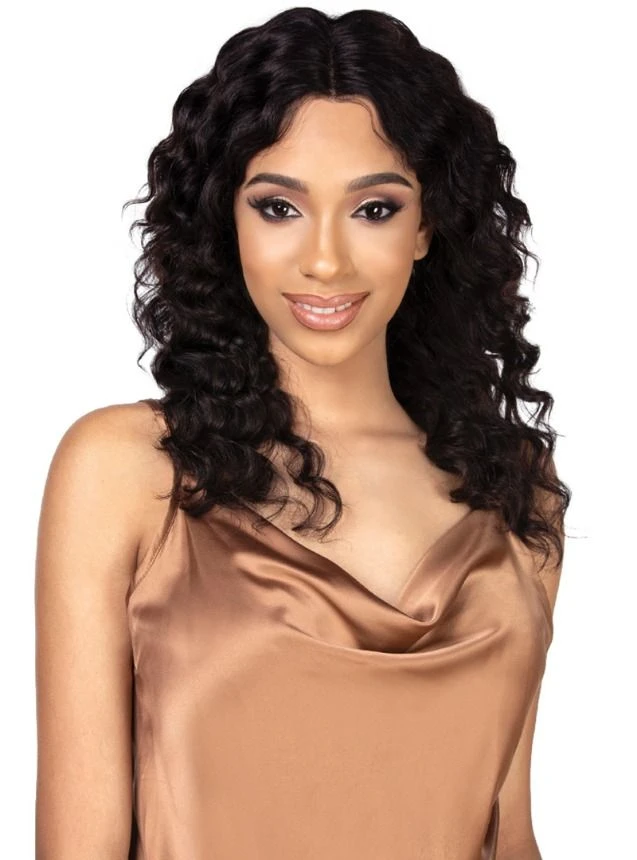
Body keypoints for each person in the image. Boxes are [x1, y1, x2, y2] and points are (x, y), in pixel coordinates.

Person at [34, 7, 571, 860]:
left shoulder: (514, 488)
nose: (325, 260)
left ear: (427, 226)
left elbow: (507, 834)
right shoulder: (128, 473)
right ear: (226, 219)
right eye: (279, 207)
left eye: (374, 209)